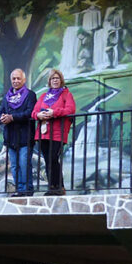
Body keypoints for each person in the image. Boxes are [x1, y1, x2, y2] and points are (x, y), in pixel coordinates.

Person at [33, 68, 76, 196]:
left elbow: (70, 109)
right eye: (52, 78)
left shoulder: (66, 94)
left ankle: (58, 186)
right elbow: (34, 112)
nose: (55, 80)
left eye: (57, 78)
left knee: (53, 158)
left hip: (58, 132)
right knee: (47, 160)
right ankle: (52, 187)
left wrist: (54, 113)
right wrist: (39, 115)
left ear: (61, 80)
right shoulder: (43, 96)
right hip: (43, 132)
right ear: (49, 81)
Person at [0, 68, 38, 196]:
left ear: (24, 80)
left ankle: (27, 189)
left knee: (24, 164)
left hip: (25, 136)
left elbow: (29, 112)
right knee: (14, 166)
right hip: (10, 137)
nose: (16, 81)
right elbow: (1, 111)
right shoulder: (7, 97)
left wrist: (12, 117)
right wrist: (2, 117)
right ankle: (20, 190)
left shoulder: (30, 95)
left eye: (18, 78)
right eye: (13, 79)